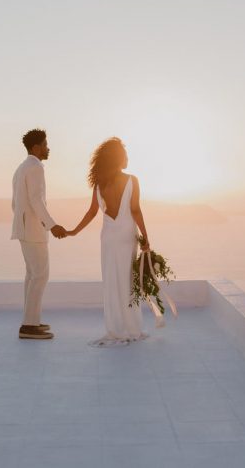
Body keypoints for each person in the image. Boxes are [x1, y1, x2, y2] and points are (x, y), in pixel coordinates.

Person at [67, 138, 150, 347]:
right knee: (128, 281)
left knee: (112, 281)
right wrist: (146, 238)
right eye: (125, 154)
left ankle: (115, 327)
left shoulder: (99, 183)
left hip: (109, 238)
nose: (128, 158)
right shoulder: (132, 180)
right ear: (119, 158)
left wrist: (74, 231)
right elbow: (135, 210)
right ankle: (131, 327)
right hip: (126, 236)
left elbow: (92, 212)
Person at [11, 129, 66, 340]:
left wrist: (21, 223)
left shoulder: (20, 168)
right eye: (45, 144)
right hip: (33, 230)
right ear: (36, 148)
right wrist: (52, 225)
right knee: (40, 275)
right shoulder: (35, 167)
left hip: (24, 228)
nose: (48, 148)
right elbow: (36, 200)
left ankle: (31, 320)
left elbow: (15, 203)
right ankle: (28, 326)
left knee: (32, 276)